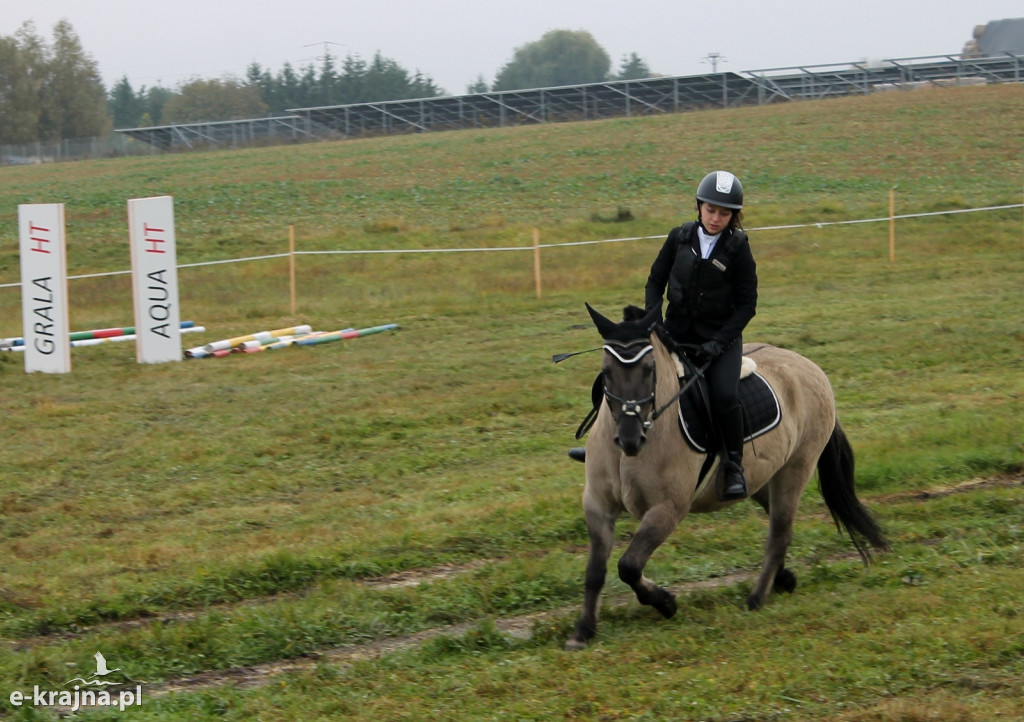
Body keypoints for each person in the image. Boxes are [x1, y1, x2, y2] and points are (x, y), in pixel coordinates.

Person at [644, 170, 758, 500]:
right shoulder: (678, 238)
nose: (715, 218)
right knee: (630, 372)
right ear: (699, 207)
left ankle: (733, 466)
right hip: (672, 335)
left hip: (718, 342)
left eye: (724, 213)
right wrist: (655, 323)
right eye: (710, 210)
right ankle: (606, 445)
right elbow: (654, 283)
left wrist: (719, 342)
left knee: (723, 396)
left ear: (733, 216)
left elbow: (747, 305)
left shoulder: (738, 248)